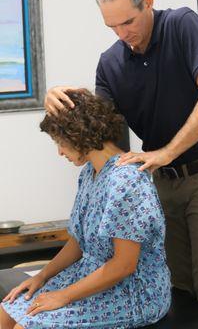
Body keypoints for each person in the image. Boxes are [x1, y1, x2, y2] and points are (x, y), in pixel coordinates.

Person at [44, 0, 198, 314]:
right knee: (178, 289)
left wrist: (165, 152)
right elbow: (99, 129)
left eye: (129, 22)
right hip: (160, 182)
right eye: (112, 27)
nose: (123, 34)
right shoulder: (110, 64)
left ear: (147, 2)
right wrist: (60, 98)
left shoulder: (183, 26)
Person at [0, 89, 171, 329]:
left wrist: (63, 295)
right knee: (6, 312)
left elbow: (124, 266)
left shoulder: (127, 182)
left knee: (26, 327)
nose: (59, 152)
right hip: (92, 274)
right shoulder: (89, 174)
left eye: (60, 143)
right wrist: (41, 276)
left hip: (132, 292)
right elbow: (78, 241)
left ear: (78, 135)